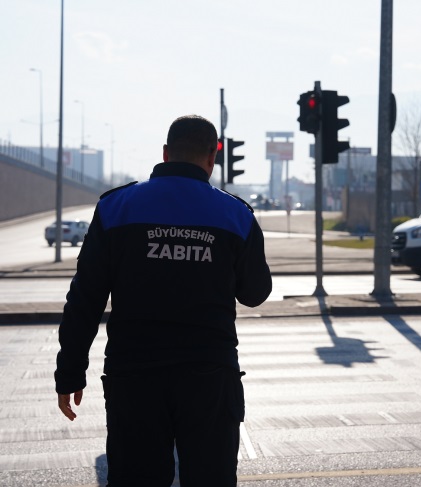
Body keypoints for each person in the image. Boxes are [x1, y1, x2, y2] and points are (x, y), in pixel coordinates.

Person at [54, 115, 272, 486]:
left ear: (166, 154)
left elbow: (85, 298)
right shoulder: (236, 214)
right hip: (209, 378)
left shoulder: (116, 207)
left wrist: (70, 373)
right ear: (212, 156)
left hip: (134, 377)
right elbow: (255, 294)